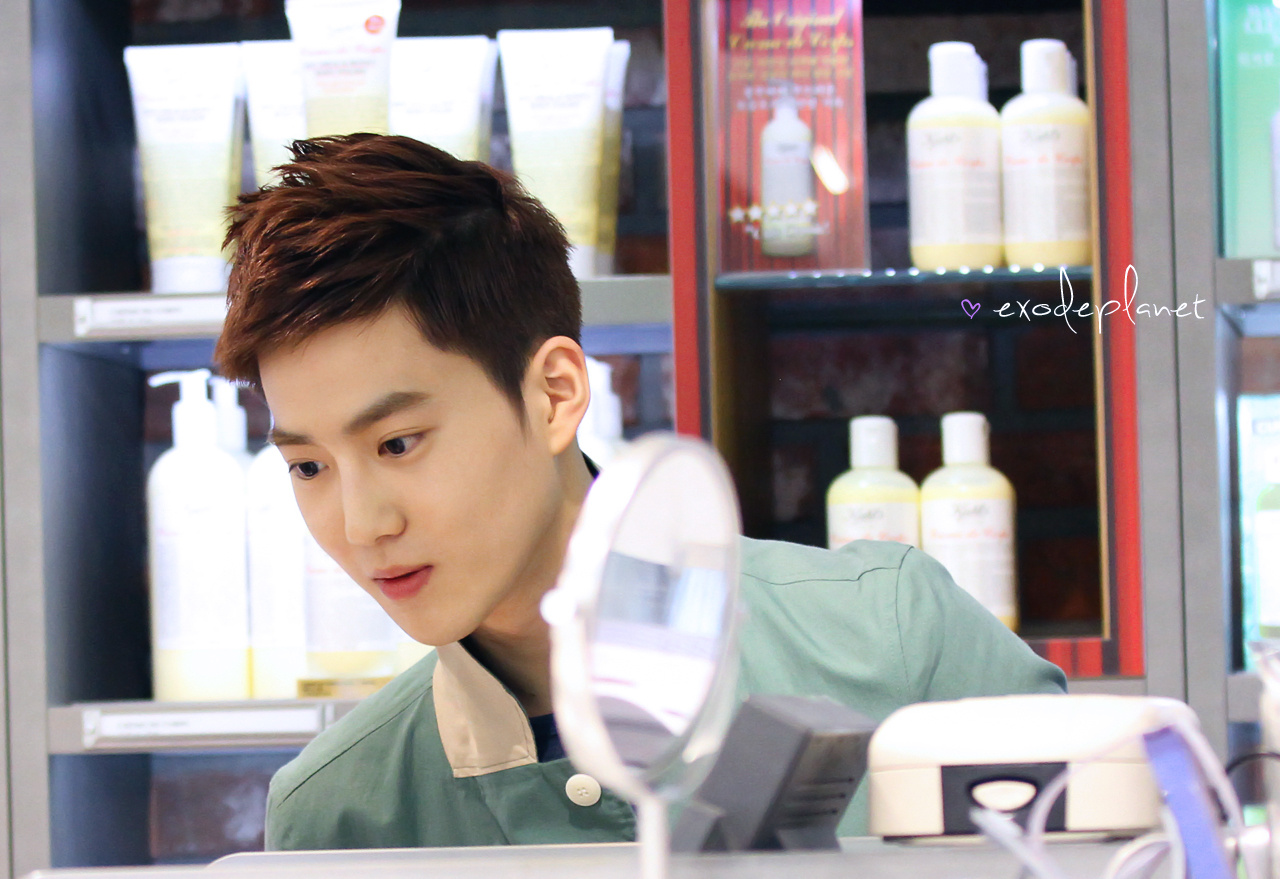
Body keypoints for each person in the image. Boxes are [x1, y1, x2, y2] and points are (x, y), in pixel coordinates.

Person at [213, 133, 1066, 851]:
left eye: (398, 443)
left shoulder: (892, 637)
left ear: (554, 394)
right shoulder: (340, 817)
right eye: (308, 467)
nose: (362, 524)